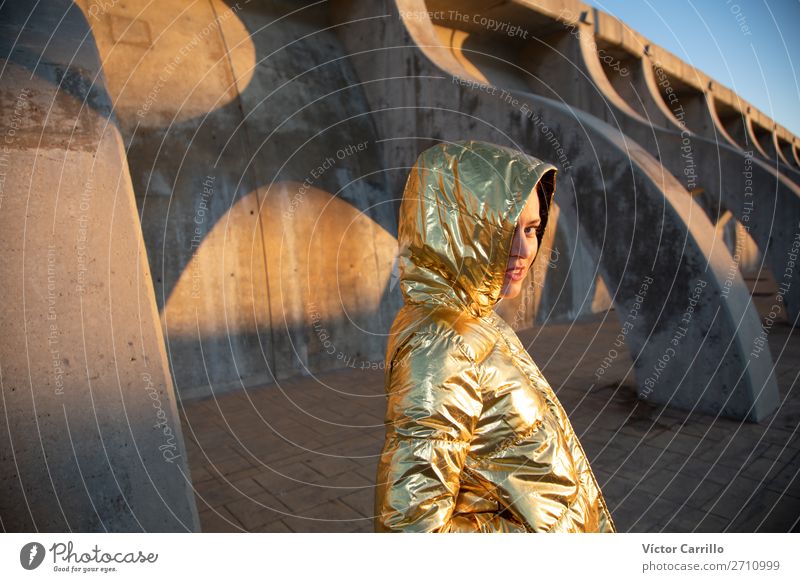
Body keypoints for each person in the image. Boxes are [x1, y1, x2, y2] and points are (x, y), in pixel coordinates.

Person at [374, 140, 616, 532]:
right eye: (503, 229)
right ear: (456, 229)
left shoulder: (474, 318)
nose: (523, 249)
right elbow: (411, 529)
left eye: (532, 229)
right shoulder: (439, 343)